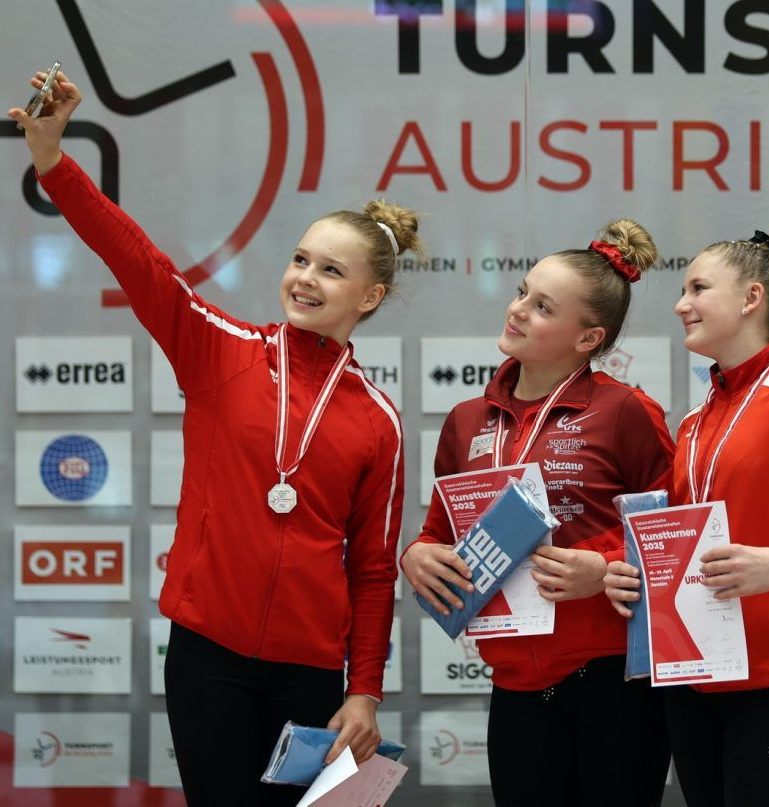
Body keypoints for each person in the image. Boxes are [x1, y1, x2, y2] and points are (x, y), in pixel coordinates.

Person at [9, 70, 422, 806]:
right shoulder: (221, 348)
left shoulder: (379, 419)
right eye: (299, 259)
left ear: (369, 296)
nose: (304, 278)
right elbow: (141, 264)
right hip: (208, 656)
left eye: (331, 270)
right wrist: (53, 162)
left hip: (308, 670)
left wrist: (363, 691)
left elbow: (371, 570)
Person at [401, 221, 675, 806]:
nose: (518, 309)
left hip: (614, 680)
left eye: (543, 306)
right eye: (523, 292)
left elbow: (675, 535)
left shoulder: (627, 411)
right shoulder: (466, 419)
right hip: (514, 683)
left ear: (587, 338)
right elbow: (439, 532)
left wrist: (601, 570)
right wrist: (417, 554)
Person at [604, 230, 769, 807]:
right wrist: (627, 567)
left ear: (751, 298)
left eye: (698, 288)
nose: (680, 304)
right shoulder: (694, 421)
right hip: (692, 674)